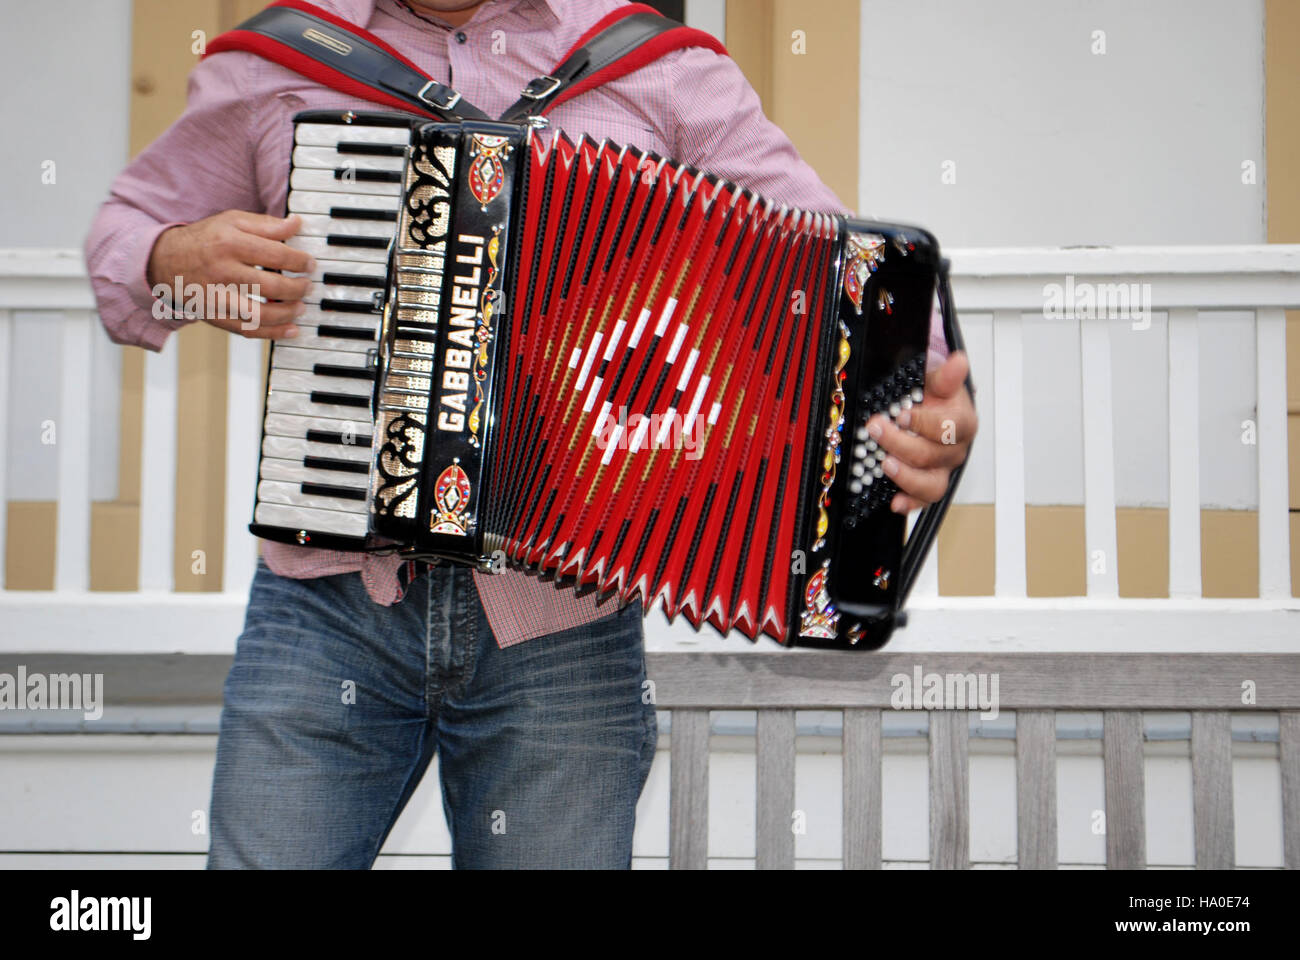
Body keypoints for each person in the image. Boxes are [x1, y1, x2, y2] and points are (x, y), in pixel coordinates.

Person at [85, 0, 977, 868]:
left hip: (564, 626)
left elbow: (848, 279)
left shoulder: (658, 68)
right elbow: (128, 242)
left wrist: (921, 398)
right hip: (326, 611)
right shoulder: (279, 61)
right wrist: (175, 263)